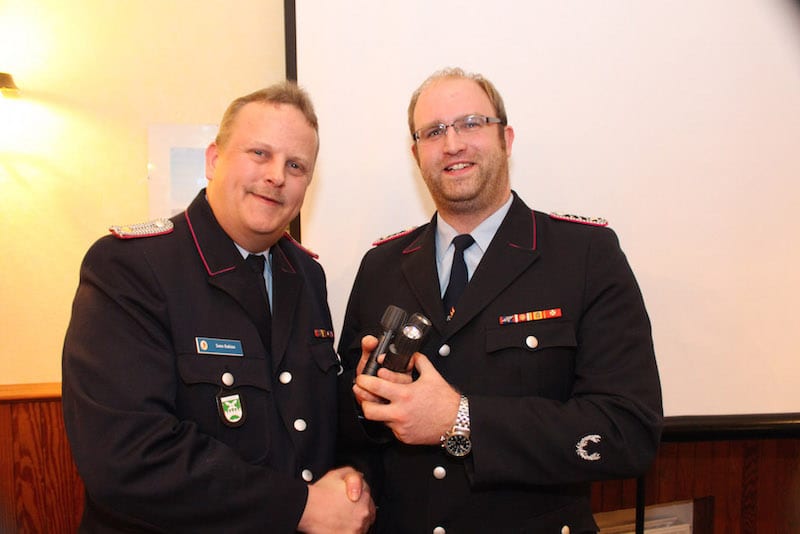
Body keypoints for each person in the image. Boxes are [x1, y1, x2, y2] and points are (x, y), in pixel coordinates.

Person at [337, 68, 663, 533]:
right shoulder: (381, 267)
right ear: (416, 154)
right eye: (434, 132)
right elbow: (350, 431)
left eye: (471, 123)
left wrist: (461, 420)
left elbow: (627, 432)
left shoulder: (585, 255)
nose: (452, 144)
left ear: (505, 139)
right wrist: (368, 404)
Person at [62, 82, 375, 533]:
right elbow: (127, 456)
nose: (276, 176)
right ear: (213, 160)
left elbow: (305, 425)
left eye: (295, 165)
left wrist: (358, 440)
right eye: (259, 154)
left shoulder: (306, 274)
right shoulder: (130, 267)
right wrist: (300, 507)